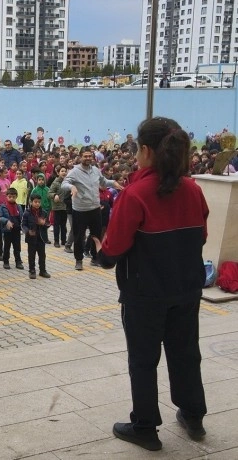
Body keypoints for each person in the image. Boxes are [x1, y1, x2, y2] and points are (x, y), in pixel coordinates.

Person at [93, 117, 208, 452]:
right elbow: (201, 236)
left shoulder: (135, 194)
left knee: (143, 360)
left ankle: (145, 426)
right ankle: (193, 415)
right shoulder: (193, 190)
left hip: (144, 295)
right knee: (186, 353)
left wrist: (99, 251)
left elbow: (113, 250)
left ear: (144, 150)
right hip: (186, 290)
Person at [61, 148, 122, 271]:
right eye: (85, 156)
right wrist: (72, 186)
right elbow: (64, 184)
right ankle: (79, 260)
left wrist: (114, 183)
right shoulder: (74, 171)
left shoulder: (95, 170)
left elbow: (103, 181)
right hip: (80, 210)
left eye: (90, 156)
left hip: (95, 208)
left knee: (97, 235)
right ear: (80, 157)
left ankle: (96, 257)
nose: (88, 158)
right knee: (79, 236)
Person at [22, 194, 51, 279]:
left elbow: (49, 223)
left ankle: (42, 271)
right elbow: (23, 225)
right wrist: (28, 231)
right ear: (31, 202)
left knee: (42, 255)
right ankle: (32, 271)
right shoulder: (27, 213)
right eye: (35, 202)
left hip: (41, 238)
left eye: (39, 202)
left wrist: (44, 223)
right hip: (31, 238)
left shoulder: (44, 212)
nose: (37, 204)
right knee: (31, 255)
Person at [0, 188, 24, 270]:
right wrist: (6, 221)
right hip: (7, 230)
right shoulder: (2, 207)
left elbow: (22, 218)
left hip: (16, 230)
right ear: (6, 196)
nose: (11, 198)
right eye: (10, 196)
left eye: (13, 196)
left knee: (17, 247)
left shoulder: (18, 206)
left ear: (16, 197)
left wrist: (22, 227)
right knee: (7, 247)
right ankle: (6, 261)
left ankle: (18, 261)